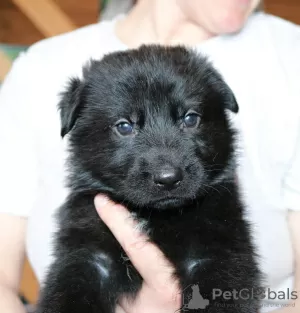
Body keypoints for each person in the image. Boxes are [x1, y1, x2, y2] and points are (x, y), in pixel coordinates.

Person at [0, 0, 299, 312]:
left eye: (190, 120)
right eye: (125, 126)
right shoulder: (39, 69)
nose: (167, 170)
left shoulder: (290, 56)